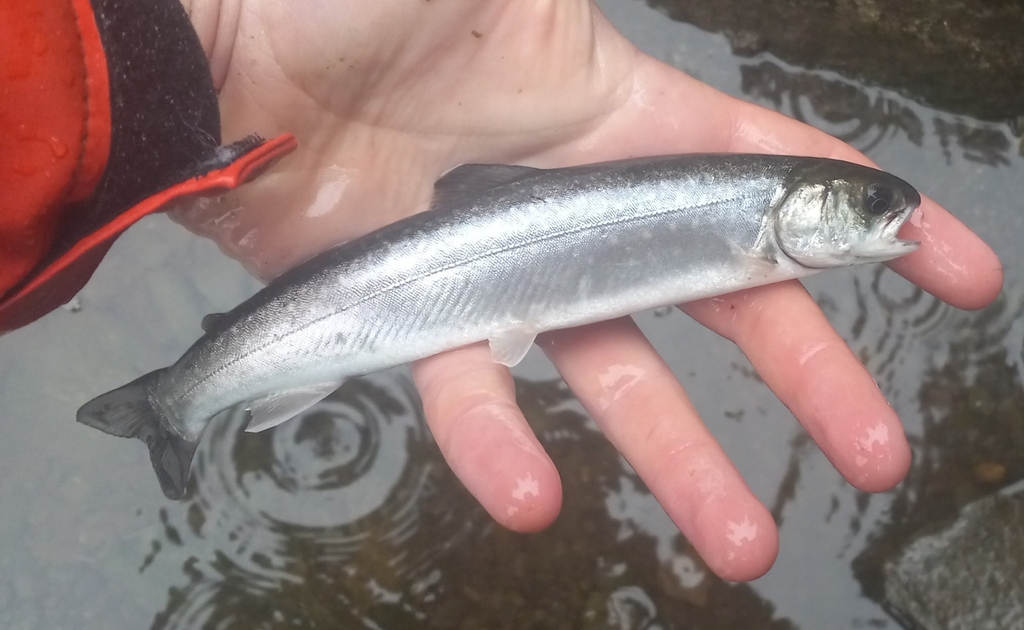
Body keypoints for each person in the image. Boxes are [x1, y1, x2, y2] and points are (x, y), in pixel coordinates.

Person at [1, 0, 1002, 581]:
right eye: (869, 208)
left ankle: (180, 396)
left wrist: (212, 28)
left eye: (876, 209)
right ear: (801, 211)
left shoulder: (760, 223)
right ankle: (178, 400)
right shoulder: (751, 221)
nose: (888, 223)